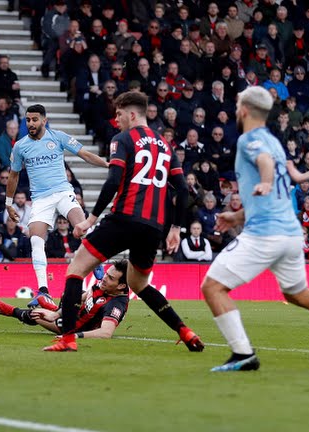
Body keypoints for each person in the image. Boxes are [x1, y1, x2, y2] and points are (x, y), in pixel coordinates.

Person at [44, 91, 204, 353]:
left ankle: (68, 339)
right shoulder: (165, 145)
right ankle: (185, 331)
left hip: (123, 219)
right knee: (139, 285)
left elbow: (112, 180)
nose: (115, 119)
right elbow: (183, 190)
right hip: (153, 227)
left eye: (118, 114)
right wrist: (175, 228)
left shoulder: (123, 139)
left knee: (76, 270)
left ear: (132, 114)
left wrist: (91, 220)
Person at [203, 86, 309, 372]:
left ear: (244, 111)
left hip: (266, 234)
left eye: (239, 103)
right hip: (290, 233)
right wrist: (238, 215)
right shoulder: (274, 142)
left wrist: (264, 181)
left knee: (213, 287)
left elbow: (265, 168)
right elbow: (275, 191)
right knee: (297, 294)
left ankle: (243, 354)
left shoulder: (248, 140)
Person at [4, 104, 108, 309]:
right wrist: (8, 204)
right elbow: (14, 175)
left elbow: (85, 154)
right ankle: (43, 291)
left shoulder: (58, 137)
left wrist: (108, 165)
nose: (31, 123)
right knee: (35, 239)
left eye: (34, 119)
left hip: (62, 192)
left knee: (82, 226)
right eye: (28, 120)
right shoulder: (20, 146)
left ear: (44, 120)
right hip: (41, 199)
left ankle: (97, 261)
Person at [0, 260, 129, 339]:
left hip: (74, 328)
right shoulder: (106, 285)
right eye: (107, 274)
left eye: (110, 278)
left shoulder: (116, 305)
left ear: (121, 285)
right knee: (70, 294)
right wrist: (57, 313)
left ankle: (15, 312)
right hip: (75, 314)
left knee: (36, 314)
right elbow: (83, 297)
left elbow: (105, 333)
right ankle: (53, 308)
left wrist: (72, 337)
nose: (104, 278)